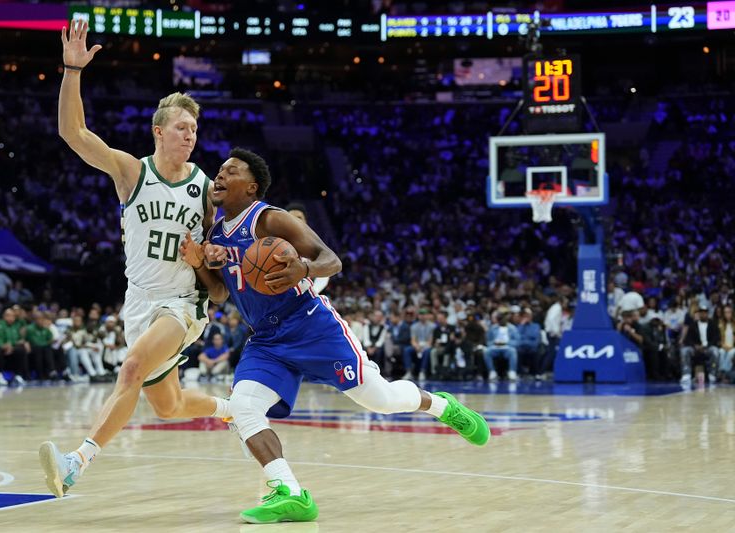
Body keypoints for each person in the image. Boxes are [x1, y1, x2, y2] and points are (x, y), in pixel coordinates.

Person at [181, 148, 489, 524]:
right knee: (243, 407)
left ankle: (441, 405)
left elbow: (332, 259)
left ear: (251, 187)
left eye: (231, 172)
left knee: (382, 400)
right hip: (265, 339)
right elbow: (219, 293)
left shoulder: (270, 218)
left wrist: (304, 269)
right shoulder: (214, 234)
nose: (220, 176)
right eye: (220, 171)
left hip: (309, 323)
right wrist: (199, 264)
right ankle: (290, 493)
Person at [38, 20, 230, 499]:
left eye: (195, 129)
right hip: (139, 302)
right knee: (168, 406)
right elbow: (73, 131)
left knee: (130, 369)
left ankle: (75, 462)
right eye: (181, 128)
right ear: (158, 131)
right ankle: (234, 408)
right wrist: (72, 71)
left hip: (182, 304)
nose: (190, 136)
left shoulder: (207, 190)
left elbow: (222, 261)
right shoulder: (131, 172)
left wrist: (207, 256)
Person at [285, 202, 329, 294]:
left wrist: (312, 292)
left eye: (299, 218)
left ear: (305, 221)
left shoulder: (315, 246)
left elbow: (324, 274)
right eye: (291, 218)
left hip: (309, 297)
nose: (295, 221)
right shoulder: (276, 244)